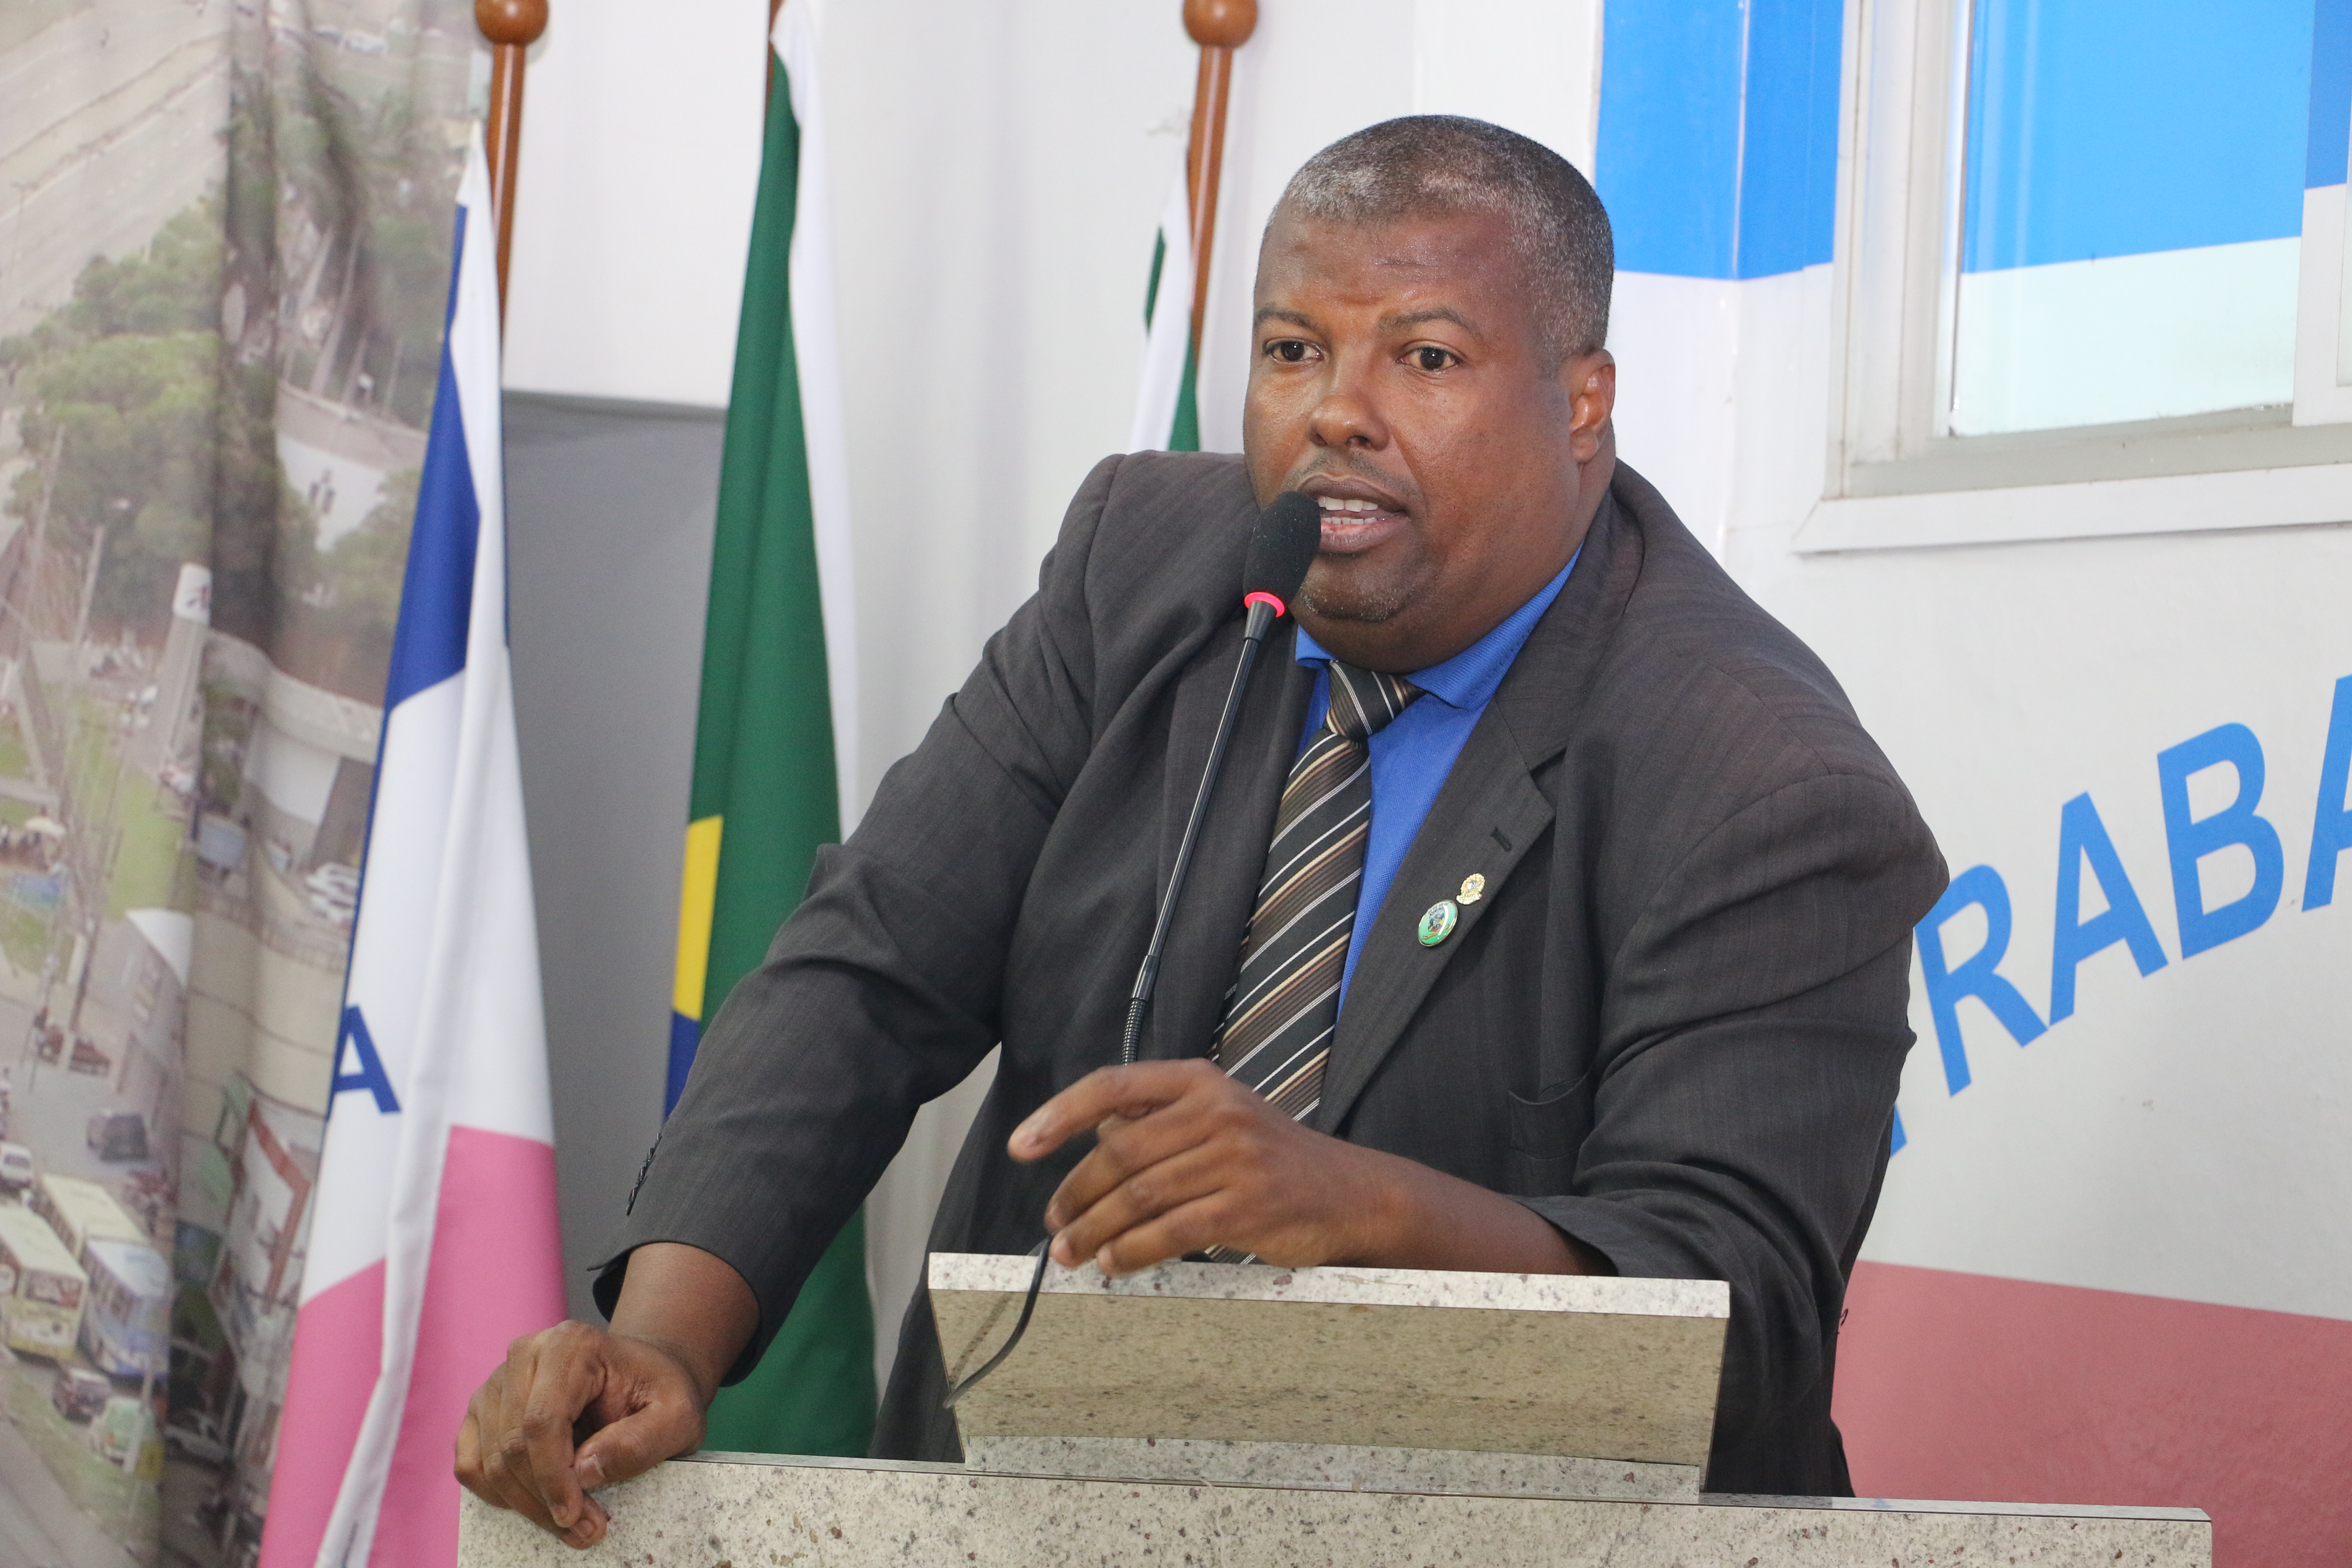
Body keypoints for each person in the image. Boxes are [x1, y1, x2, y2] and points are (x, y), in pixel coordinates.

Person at [457, 116, 1945, 1550]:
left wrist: (1360, 1207)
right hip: (1032, 1507)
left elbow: (1734, 1304)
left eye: (1426, 358)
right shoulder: (1146, 566)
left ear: (1582, 404)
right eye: (1293, 351)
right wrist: (668, 1339)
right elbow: (868, 973)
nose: (1336, 414)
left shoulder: (1764, 781)